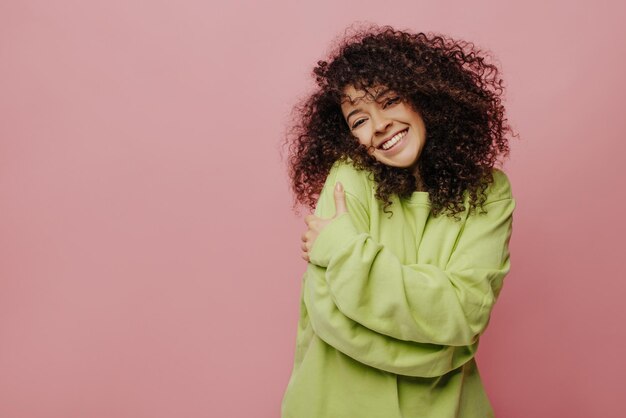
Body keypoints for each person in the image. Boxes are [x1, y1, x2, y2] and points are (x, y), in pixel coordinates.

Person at [281, 24, 515, 418]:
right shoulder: (348, 179)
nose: (378, 125)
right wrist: (436, 347)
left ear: (425, 97)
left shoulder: (489, 191)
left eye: (389, 100)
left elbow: (464, 313)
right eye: (358, 120)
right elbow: (331, 320)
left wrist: (344, 250)